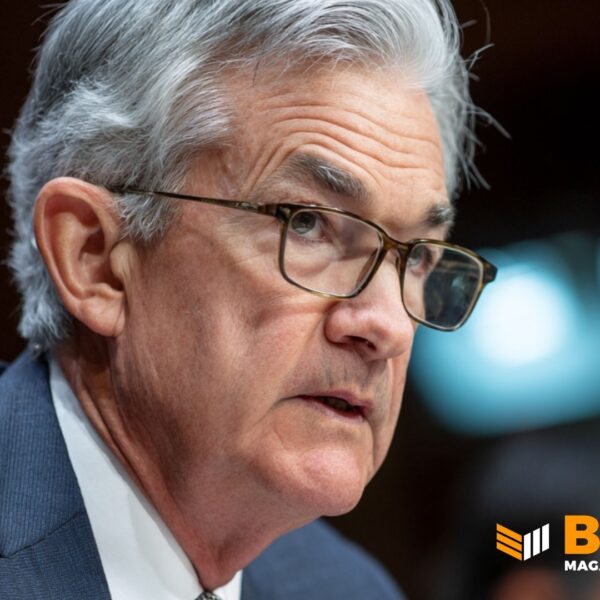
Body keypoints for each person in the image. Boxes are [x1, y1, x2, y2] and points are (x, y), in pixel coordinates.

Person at [0, 0, 497, 598]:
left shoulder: (349, 590)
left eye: (415, 257)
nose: (387, 325)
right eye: (308, 224)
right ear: (96, 258)